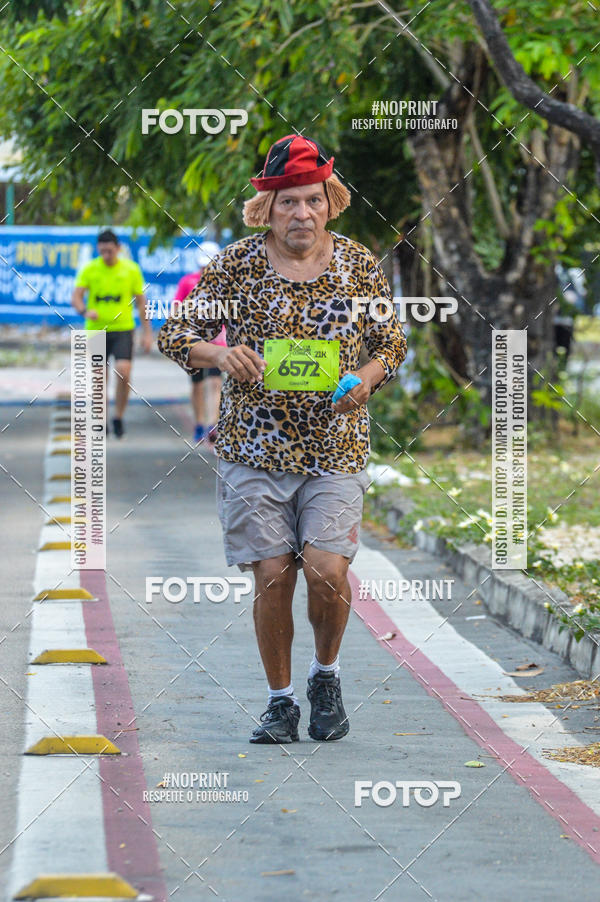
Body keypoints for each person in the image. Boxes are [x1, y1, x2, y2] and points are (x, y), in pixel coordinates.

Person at [158, 135, 407, 744]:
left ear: (331, 202)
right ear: (267, 207)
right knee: (272, 574)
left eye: (313, 201)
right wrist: (220, 352)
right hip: (254, 448)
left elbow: (391, 343)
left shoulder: (356, 265)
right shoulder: (237, 266)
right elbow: (174, 333)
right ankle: (280, 701)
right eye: (289, 202)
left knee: (325, 570)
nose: (302, 214)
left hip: (335, 447)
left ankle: (327, 676)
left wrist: (366, 382)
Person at [71, 229, 152, 437]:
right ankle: (101, 419)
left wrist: (147, 333)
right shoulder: (90, 269)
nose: (106, 255)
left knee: (124, 371)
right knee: (100, 377)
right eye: (102, 251)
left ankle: (118, 415)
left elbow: (142, 303)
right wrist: (84, 311)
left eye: (109, 251)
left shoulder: (130, 269)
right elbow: (76, 297)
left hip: (123, 328)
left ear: (117, 249)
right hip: (96, 330)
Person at [173, 241, 225, 446]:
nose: (206, 269)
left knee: (214, 383)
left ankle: (213, 425)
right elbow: (177, 308)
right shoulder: (188, 282)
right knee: (197, 384)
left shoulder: (224, 283)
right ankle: (199, 422)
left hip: (217, 342)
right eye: (204, 265)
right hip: (194, 342)